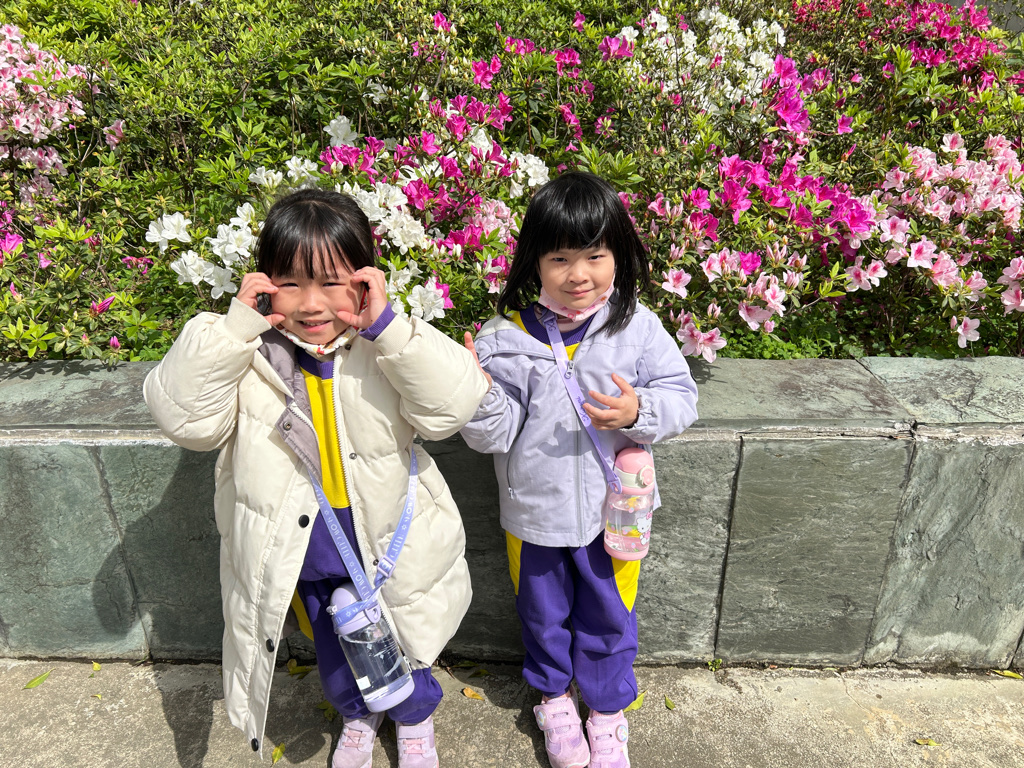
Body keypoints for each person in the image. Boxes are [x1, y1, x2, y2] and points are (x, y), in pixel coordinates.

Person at [144, 188, 489, 768]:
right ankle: (357, 713)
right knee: (335, 645)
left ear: (365, 279)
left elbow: (450, 408)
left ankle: (413, 717)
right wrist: (233, 330)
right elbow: (186, 420)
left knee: (405, 636)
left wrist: (391, 329)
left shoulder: (386, 343)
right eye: (291, 283)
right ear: (263, 284)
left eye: (331, 282)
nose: (310, 304)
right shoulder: (247, 354)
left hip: (386, 538)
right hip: (305, 543)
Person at [460, 172, 698, 768]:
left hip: (612, 516)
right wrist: (476, 391)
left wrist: (638, 411)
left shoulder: (637, 328)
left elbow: (682, 396)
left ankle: (608, 709)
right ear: (534, 263)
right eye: (559, 258)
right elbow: (493, 435)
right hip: (533, 515)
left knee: (610, 617)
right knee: (542, 616)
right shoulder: (503, 339)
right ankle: (552, 699)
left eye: (595, 255)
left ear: (618, 255)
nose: (578, 274)